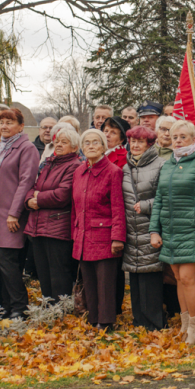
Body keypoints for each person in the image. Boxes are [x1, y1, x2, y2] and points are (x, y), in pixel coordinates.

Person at [150, 120, 195, 344]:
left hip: (192, 229)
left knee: (189, 278)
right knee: (178, 278)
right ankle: (185, 324)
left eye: (183, 137)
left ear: (193, 138)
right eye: (175, 137)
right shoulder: (168, 164)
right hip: (170, 230)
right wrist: (154, 230)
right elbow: (159, 199)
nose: (178, 141)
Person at [72, 129, 127, 329]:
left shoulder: (113, 172)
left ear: (104, 147)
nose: (91, 146)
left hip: (105, 235)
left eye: (96, 142)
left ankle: (106, 321)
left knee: (105, 282)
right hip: (83, 236)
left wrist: (118, 238)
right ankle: (93, 317)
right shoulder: (78, 172)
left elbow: (118, 208)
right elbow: (75, 208)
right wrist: (75, 234)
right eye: (86, 142)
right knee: (89, 280)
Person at [0, 108, 39, 319]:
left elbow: (26, 181)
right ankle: (5, 306)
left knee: (7, 260)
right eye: (1, 122)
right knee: (2, 262)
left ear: (21, 126)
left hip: (12, 214)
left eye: (9, 122)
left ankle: (19, 307)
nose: (4, 126)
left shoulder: (26, 148)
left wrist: (14, 213)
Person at [24, 128, 82, 303]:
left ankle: (60, 311)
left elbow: (62, 195)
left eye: (64, 142)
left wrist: (38, 199)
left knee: (59, 273)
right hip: (38, 225)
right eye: (57, 141)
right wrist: (29, 200)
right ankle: (48, 310)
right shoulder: (49, 163)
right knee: (44, 273)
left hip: (57, 227)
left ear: (74, 147)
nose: (59, 144)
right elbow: (33, 187)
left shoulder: (74, 165)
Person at [122, 126, 166, 330]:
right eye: (132, 141)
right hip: (131, 230)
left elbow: (168, 197)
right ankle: (138, 320)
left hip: (151, 228)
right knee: (136, 277)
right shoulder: (126, 167)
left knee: (151, 278)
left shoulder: (160, 165)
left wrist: (147, 205)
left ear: (150, 144)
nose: (136, 145)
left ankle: (154, 323)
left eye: (140, 141)